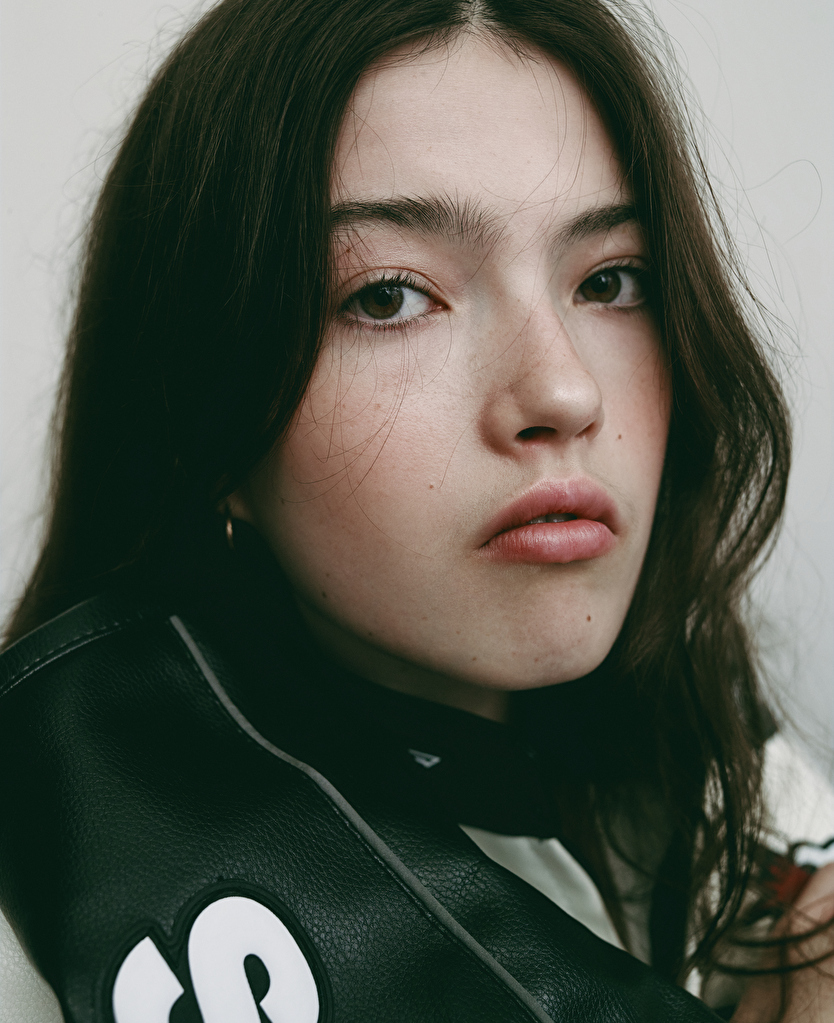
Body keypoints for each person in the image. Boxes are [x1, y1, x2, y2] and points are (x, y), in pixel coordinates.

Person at [0, 0, 832, 1020]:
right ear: (203, 417)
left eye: (612, 280)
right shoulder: (63, 913)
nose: (564, 391)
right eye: (389, 296)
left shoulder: (710, 750)